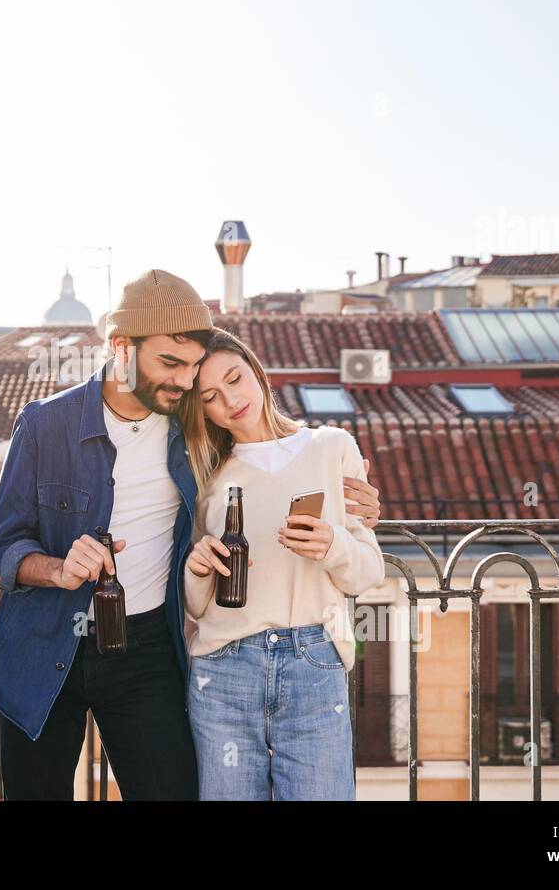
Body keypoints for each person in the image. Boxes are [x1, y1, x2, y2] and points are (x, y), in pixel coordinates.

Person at [0, 269, 383, 800]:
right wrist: (57, 568)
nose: (185, 382)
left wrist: (359, 509)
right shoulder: (44, 424)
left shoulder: (192, 435)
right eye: (170, 364)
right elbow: (2, 543)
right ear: (122, 348)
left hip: (146, 650)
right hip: (45, 642)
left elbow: (271, 465)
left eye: (193, 367)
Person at [180, 327, 386, 801]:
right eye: (210, 396)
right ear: (201, 409)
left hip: (314, 662)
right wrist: (198, 569)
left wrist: (332, 543)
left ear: (256, 369)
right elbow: (196, 608)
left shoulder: (332, 447)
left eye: (235, 378)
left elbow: (368, 572)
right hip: (224, 670)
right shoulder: (206, 480)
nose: (230, 400)